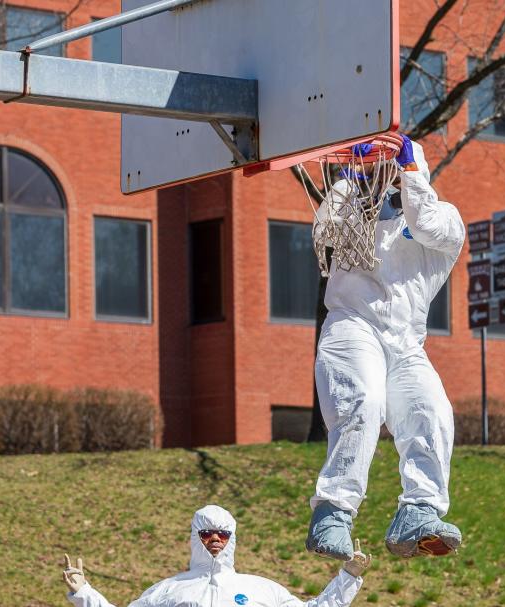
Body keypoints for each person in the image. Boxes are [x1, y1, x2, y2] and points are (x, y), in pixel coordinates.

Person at [306, 135, 465, 561]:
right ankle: (333, 512)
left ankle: (420, 511)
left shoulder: (445, 223)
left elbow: (425, 218)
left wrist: (409, 169)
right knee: (363, 401)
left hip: (406, 342)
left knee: (432, 410)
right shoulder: (352, 216)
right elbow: (322, 229)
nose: (386, 182)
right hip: (353, 326)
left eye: (390, 171)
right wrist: (349, 179)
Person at [62, 504, 371, 607]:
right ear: (195, 537)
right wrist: (84, 593)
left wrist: (348, 577)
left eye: (222, 534)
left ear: (231, 539)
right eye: (206, 533)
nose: (214, 539)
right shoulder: (168, 590)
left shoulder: (261, 591)